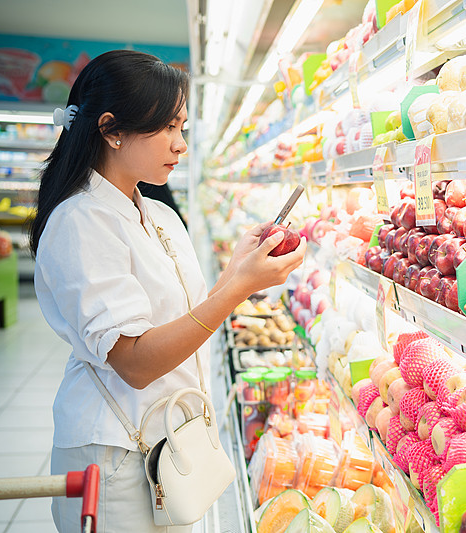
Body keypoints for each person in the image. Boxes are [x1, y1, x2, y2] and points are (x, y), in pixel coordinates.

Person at [29, 50, 305, 532]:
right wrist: (238, 289)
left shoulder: (157, 214)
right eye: (167, 128)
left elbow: (182, 315)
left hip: (169, 440)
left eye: (183, 127)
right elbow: (135, 362)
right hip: (117, 453)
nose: (181, 145)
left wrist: (236, 271)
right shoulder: (80, 221)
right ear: (112, 130)